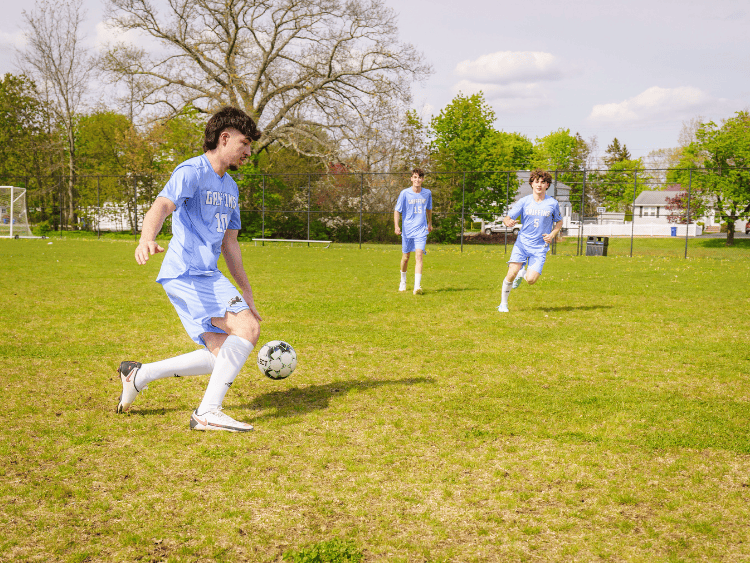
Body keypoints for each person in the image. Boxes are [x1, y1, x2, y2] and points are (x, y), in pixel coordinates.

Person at [116, 106, 263, 433]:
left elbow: (230, 245)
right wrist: (146, 239)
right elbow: (162, 205)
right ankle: (207, 412)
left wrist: (247, 290)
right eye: (244, 144)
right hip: (184, 273)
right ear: (224, 138)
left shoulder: (231, 189)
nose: (249, 152)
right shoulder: (192, 171)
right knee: (248, 330)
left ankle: (139, 374)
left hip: (208, 276)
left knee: (222, 351)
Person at [497, 169, 563, 313]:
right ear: (532, 183)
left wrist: (552, 235)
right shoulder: (524, 201)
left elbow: (559, 222)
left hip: (539, 248)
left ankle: (523, 273)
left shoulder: (552, 203)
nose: (539, 184)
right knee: (511, 273)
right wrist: (507, 222)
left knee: (531, 280)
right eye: (536, 181)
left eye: (543, 182)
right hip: (522, 244)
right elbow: (507, 218)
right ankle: (503, 304)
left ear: (547, 185)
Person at [394, 168, 433, 294]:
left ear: (423, 179)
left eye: (420, 177)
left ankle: (417, 286)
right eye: (415, 177)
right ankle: (403, 281)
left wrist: (430, 223)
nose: (417, 180)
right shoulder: (404, 193)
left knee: (419, 256)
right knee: (406, 257)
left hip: (421, 230)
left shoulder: (427, 193)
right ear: (411, 179)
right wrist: (396, 226)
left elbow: (429, 209)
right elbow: (397, 210)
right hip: (407, 230)